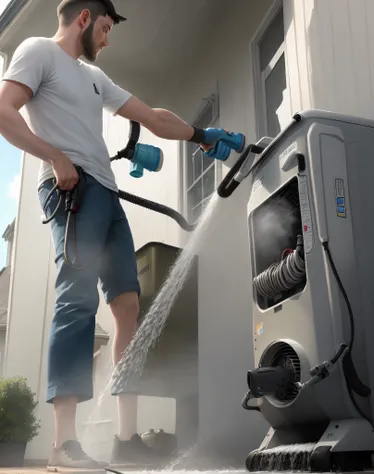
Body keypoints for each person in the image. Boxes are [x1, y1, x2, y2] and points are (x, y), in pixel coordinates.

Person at [0, 0, 237, 469]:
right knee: (77, 299)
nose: (108, 39)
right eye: (106, 28)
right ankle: (64, 444)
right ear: (85, 19)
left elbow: (151, 115)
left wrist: (201, 135)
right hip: (70, 191)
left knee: (128, 308)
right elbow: (4, 111)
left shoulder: (93, 77)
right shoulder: (38, 52)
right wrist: (54, 156)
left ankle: (125, 436)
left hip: (107, 195)